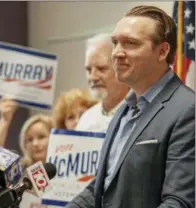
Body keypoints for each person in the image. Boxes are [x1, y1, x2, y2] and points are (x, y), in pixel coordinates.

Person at [66, 5, 194, 208]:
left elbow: (179, 202)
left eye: (130, 44)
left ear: (162, 52)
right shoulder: (124, 109)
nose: (117, 53)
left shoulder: (188, 110)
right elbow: (100, 189)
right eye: (116, 43)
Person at [76, 33, 130, 132]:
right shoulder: (86, 120)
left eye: (101, 69)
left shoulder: (139, 116)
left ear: (123, 69)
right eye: (88, 70)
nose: (92, 77)